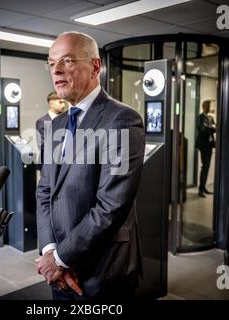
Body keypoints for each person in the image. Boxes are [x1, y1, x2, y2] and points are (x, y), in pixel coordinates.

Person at [35, 31, 145, 300]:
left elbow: (111, 206)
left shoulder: (122, 119)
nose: (56, 70)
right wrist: (50, 250)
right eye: (51, 63)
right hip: (59, 270)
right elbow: (45, 191)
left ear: (95, 66)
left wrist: (60, 258)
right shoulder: (55, 125)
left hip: (103, 271)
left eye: (67, 61)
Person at [35, 92, 67, 170]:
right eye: (60, 102)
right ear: (51, 103)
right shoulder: (42, 121)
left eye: (64, 102)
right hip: (48, 163)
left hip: (64, 163)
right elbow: (42, 145)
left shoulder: (66, 120)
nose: (63, 105)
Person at [195, 100, 216, 198]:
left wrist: (210, 127)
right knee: (205, 166)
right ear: (203, 107)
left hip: (210, 145)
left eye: (209, 106)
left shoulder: (210, 118)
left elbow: (215, 128)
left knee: (207, 167)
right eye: (207, 106)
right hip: (203, 145)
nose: (208, 108)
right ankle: (200, 189)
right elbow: (201, 129)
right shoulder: (200, 117)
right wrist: (210, 127)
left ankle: (203, 187)